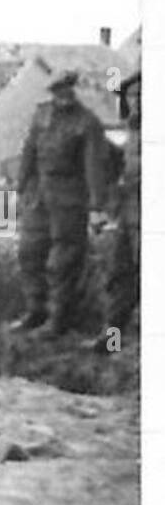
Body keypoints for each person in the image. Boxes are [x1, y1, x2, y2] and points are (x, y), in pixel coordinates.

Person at [14, 71, 106, 337]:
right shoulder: (41, 115)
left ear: (72, 90)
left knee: (63, 261)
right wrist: (21, 186)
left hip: (69, 197)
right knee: (29, 252)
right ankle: (35, 310)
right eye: (56, 92)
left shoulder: (87, 123)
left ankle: (58, 319)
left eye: (65, 90)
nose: (61, 96)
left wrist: (97, 207)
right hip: (40, 193)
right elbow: (29, 150)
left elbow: (94, 167)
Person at [104, 69, 141, 335]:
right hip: (129, 213)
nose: (135, 102)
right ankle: (112, 338)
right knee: (119, 275)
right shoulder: (133, 130)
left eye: (140, 96)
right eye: (131, 96)